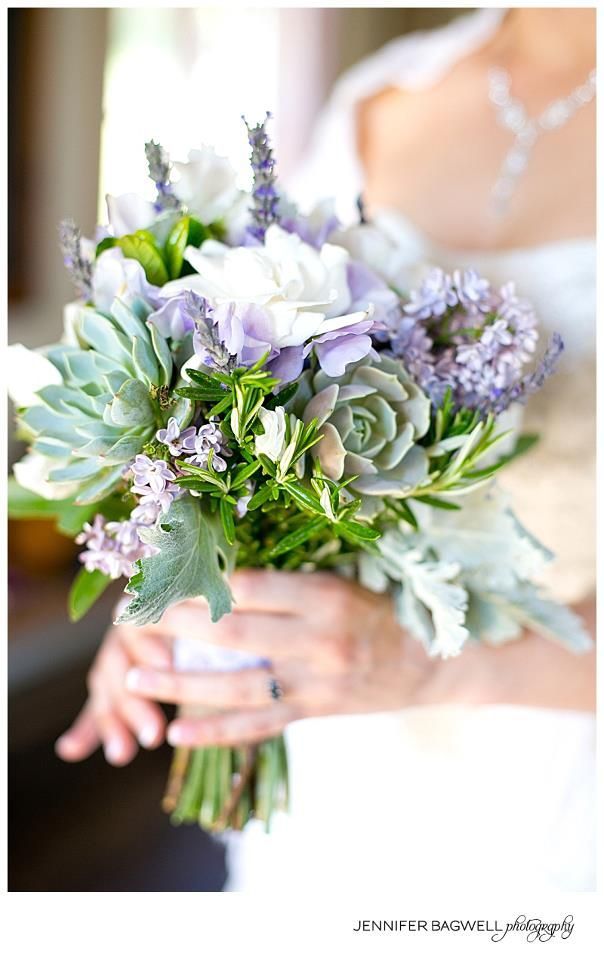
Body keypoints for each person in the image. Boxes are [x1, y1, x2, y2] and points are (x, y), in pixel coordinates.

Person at [56, 7, 596, 892]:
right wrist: (189, 583)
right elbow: (254, 368)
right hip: (321, 788)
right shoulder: (380, 98)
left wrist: (431, 667)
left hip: (553, 804)